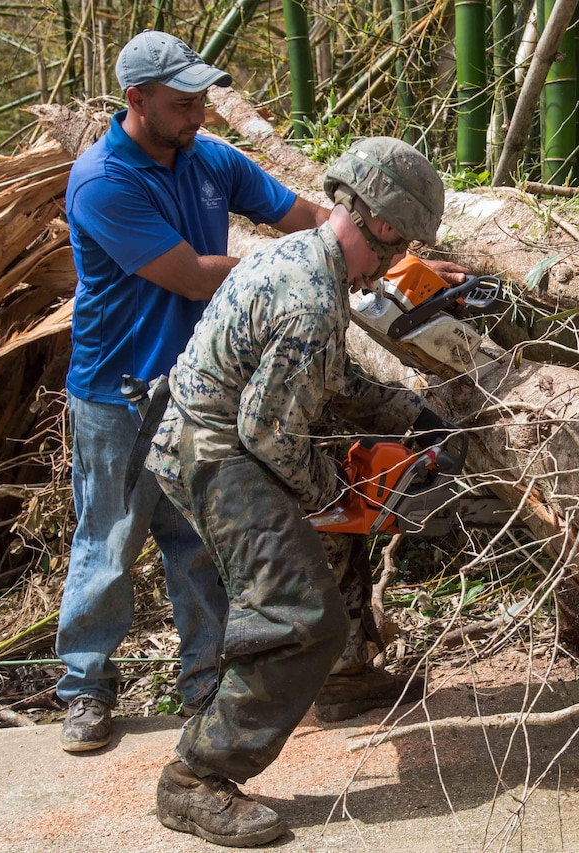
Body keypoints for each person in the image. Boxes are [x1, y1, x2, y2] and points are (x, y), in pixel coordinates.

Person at [58, 30, 464, 753]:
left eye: (204, 100)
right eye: (184, 103)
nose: (200, 115)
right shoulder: (102, 181)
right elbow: (187, 274)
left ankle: (206, 684)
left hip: (204, 385)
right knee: (109, 545)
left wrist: (399, 259)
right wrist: (295, 268)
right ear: (137, 100)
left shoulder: (208, 158)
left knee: (201, 552)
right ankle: (86, 688)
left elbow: (311, 218)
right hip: (119, 388)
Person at [143, 137, 449, 846]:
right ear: (380, 223)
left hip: (212, 430)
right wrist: (338, 493)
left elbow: (330, 378)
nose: (397, 256)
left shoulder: (300, 256)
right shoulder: (313, 296)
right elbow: (270, 433)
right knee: (301, 610)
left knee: (338, 534)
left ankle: (341, 679)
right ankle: (196, 774)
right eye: (399, 241)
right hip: (216, 452)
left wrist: (412, 414)